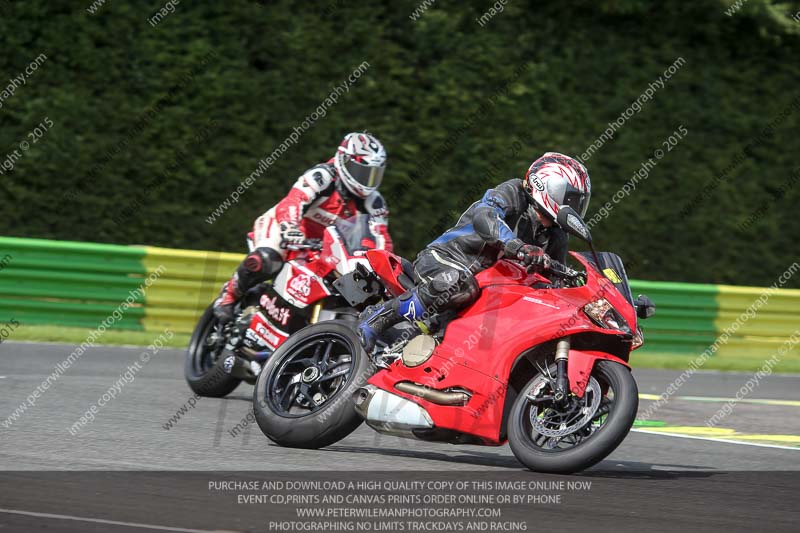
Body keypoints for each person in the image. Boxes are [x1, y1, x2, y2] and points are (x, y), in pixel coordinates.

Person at [358, 152, 591, 351]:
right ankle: (378, 317)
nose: (575, 208)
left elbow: (554, 284)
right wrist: (517, 246)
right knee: (461, 284)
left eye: (579, 202)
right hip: (446, 261)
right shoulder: (513, 193)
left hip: (488, 290)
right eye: (571, 199)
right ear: (549, 186)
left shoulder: (556, 236)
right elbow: (486, 216)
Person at [213, 132, 392, 322]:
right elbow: (295, 200)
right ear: (345, 160)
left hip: (325, 249)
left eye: (374, 174)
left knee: (352, 290)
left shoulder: (374, 203)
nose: (367, 180)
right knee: (266, 258)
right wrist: (289, 226)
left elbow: (380, 240)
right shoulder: (322, 176)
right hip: (285, 230)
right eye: (363, 172)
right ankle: (228, 296)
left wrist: (381, 267)